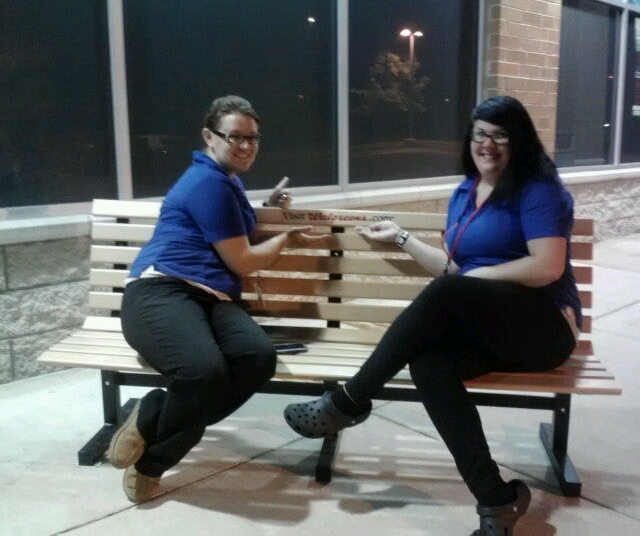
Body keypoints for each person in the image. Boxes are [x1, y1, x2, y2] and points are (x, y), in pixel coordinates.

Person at [284, 96, 581, 535]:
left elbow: (546, 267)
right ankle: (495, 500)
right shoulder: (464, 193)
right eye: (480, 134)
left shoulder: (537, 189)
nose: (488, 144)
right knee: (429, 364)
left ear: (519, 140)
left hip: (544, 327)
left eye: (500, 135)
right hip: (492, 326)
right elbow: (455, 272)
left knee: (447, 295)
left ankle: (348, 401)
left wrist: (476, 278)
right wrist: (401, 238)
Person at [108, 95, 325, 503]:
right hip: (161, 292)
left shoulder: (226, 181)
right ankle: (153, 463)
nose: (246, 146)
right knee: (204, 372)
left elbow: (230, 232)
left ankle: (152, 417)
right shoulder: (208, 182)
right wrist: (286, 238)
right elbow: (242, 260)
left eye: (253, 138)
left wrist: (266, 209)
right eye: (235, 137)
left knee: (257, 358)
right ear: (209, 136)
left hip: (211, 300)